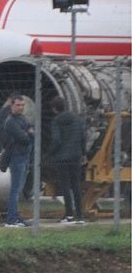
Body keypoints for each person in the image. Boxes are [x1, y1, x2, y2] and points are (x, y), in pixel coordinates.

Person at [46, 95, 88, 224]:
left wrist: (49, 154)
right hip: (75, 156)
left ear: (54, 109)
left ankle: (69, 215)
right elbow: (83, 137)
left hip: (62, 159)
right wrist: (83, 153)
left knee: (65, 186)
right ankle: (80, 216)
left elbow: (56, 140)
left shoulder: (56, 121)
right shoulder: (77, 119)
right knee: (76, 186)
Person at [2, 97, 35, 227]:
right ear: (12, 105)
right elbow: (24, 138)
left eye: (22, 105)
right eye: (18, 105)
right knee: (15, 189)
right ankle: (11, 219)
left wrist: (29, 133)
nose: (21, 107)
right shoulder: (10, 122)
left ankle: (16, 216)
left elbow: (31, 131)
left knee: (19, 189)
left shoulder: (23, 119)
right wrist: (29, 133)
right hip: (17, 157)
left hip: (25, 157)